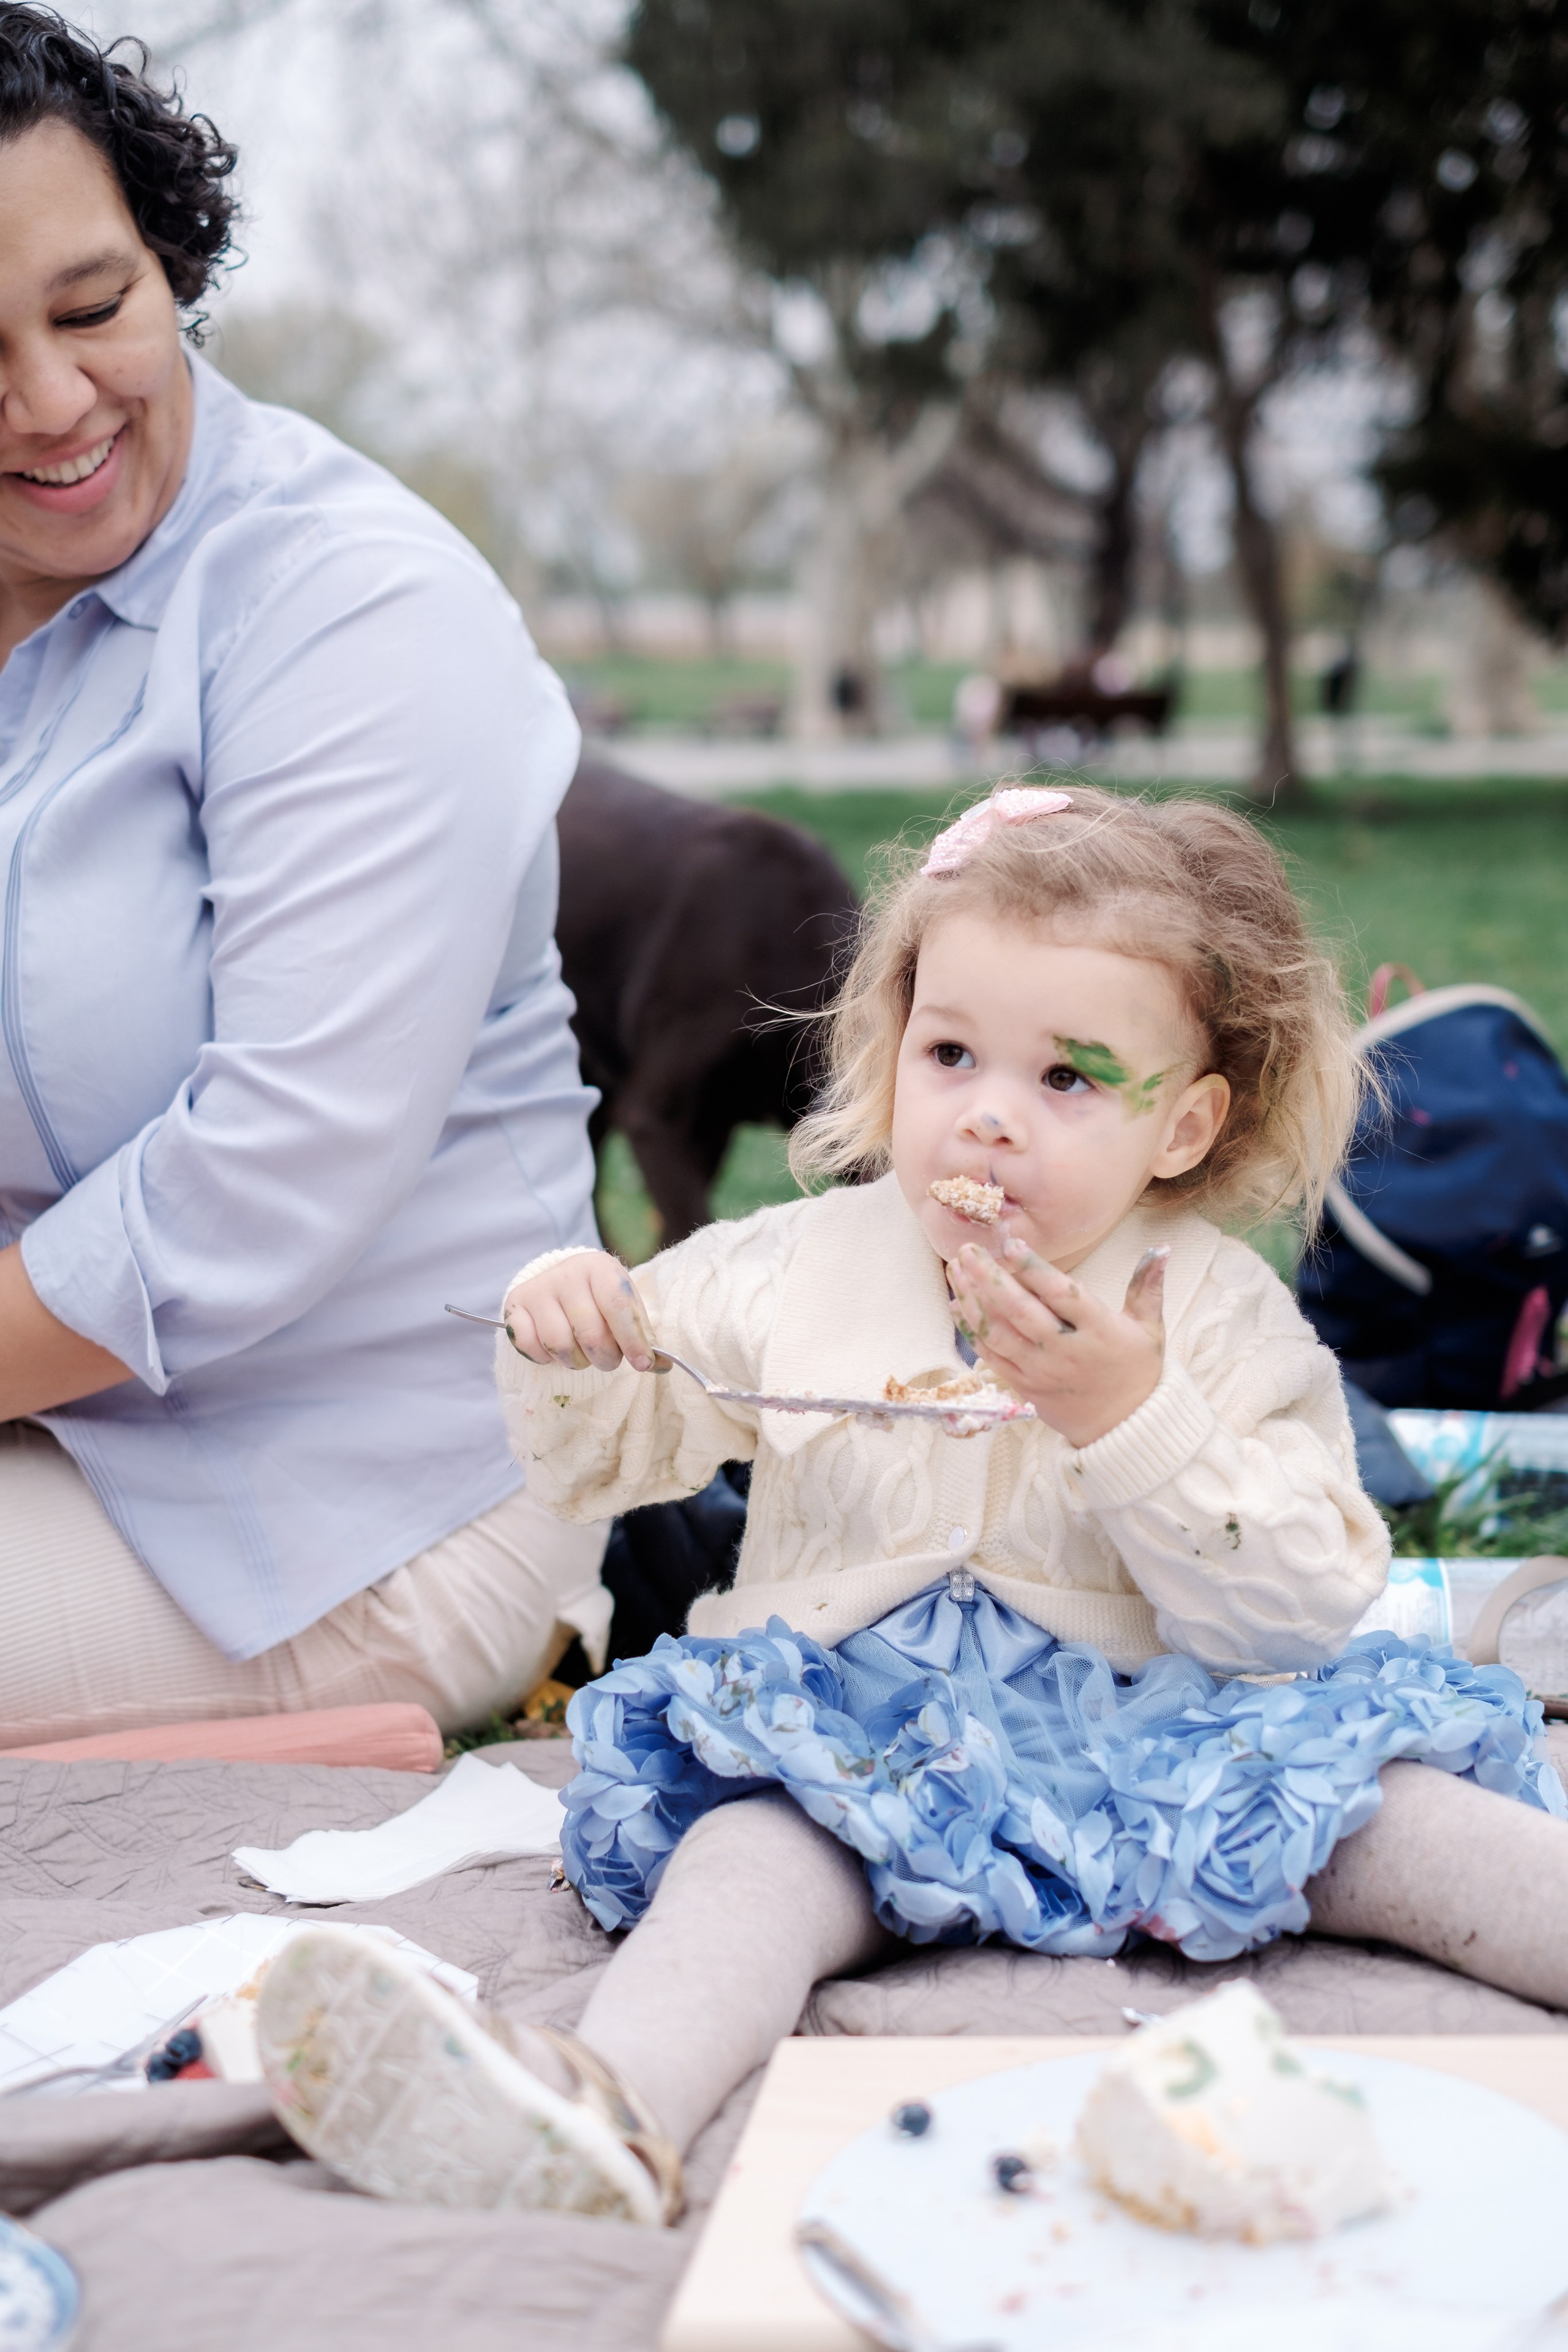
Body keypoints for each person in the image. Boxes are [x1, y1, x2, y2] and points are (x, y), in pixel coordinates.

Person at [256, 783, 1568, 2226]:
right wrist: (564, 1337)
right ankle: (594, 2107)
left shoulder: (1209, 1311)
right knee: (746, 1868)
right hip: (855, 1747)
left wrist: (1134, 1419)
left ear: (1183, 1127)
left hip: (1169, 1733)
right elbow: (611, 1456)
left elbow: (1302, 1602)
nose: (987, 1119)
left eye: (1067, 1079)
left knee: (1407, 1822)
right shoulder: (796, 1265)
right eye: (949, 1054)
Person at [0, 7, 609, 1744]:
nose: (50, 405)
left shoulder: (354, 610)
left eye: (93, 306)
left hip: (366, 1505)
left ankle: (324, 1743)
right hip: (60, 1436)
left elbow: (262, 1180)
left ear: (171, 261)